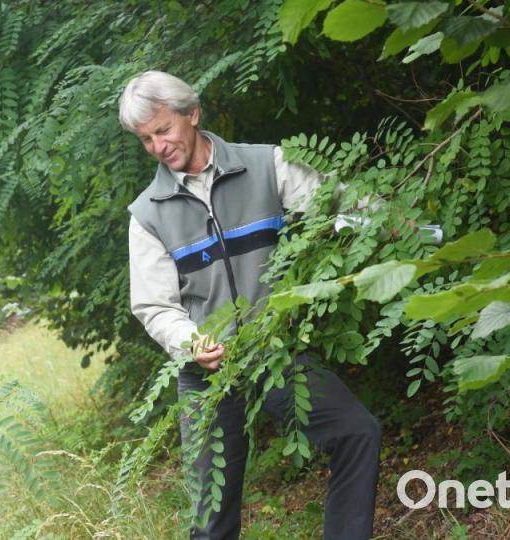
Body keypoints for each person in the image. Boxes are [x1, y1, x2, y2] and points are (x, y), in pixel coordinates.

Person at [121, 71, 381, 540]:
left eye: (163, 130)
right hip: (207, 372)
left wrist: (394, 221)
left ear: (192, 114)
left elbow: (339, 207)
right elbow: (154, 306)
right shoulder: (148, 215)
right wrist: (191, 342)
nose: (158, 146)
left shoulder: (267, 165)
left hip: (272, 353)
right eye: (145, 139)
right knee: (212, 519)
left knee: (357, 433)